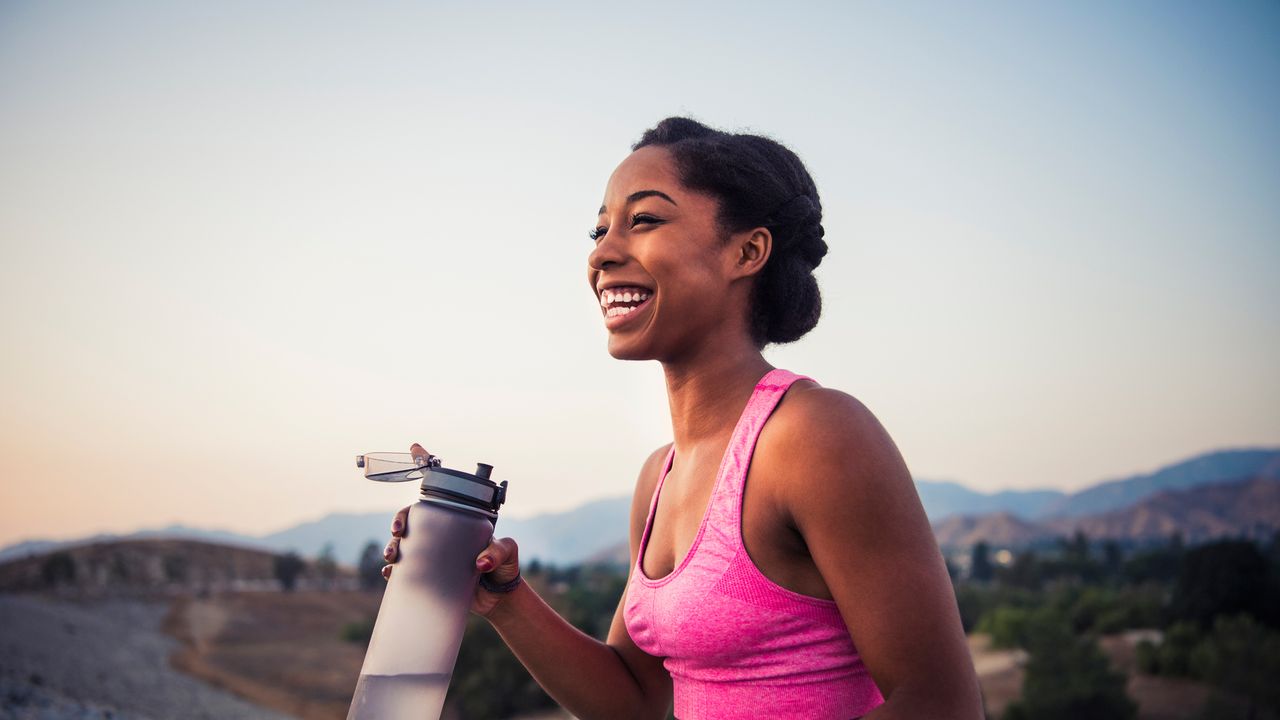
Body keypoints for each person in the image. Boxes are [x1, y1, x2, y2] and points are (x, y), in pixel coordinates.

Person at [383, 117, 984, 719]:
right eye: (599, 228)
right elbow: (633, 700)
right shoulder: (659, 476)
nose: (602, 252)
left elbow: (941, 705)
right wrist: (503, 596)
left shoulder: (813, 436)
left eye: (643, 220)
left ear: (746, 252)